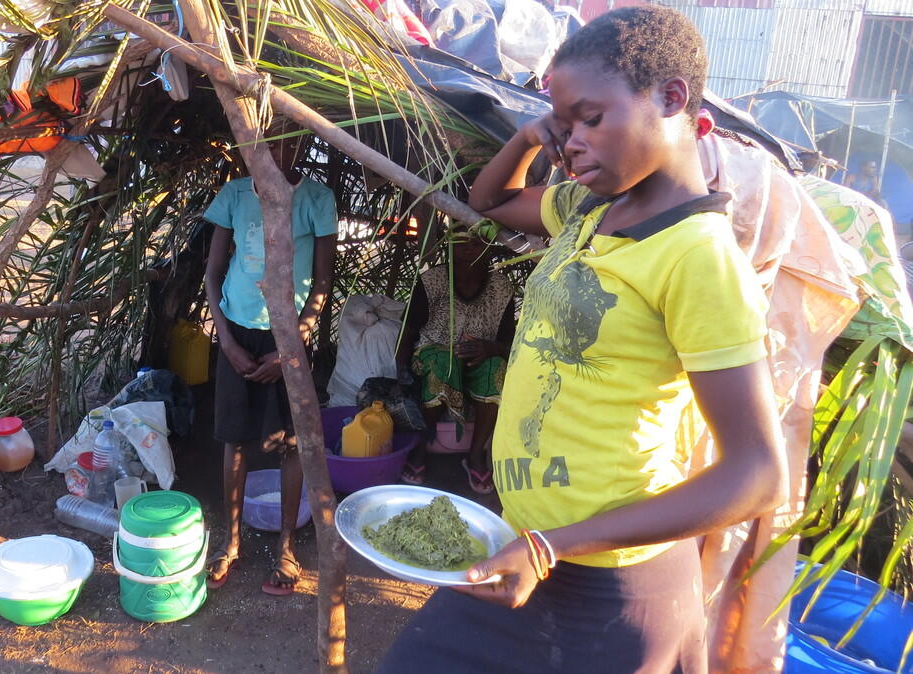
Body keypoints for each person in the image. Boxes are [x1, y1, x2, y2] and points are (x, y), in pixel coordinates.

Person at [377, 7, 786, 672]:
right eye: (563, 126)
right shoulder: (588, 209)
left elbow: (757, 476)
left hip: (612, 589)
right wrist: (529, 137)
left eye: (589, 118)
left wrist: (551, 545)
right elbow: (488, 202)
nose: (571, 143)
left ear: (671, 98)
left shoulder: (698, 258)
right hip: (524, 545)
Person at [202, 128, 337, 596]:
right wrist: (226, 341)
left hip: (291, 335)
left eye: (291, 140)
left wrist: (293, 345)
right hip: (238, 330)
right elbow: (213, 273)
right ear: (252, 145)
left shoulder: (316, 199)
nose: (281, 150)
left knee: (292, 441)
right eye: (271, 141)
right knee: (235, 439)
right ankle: (231, 540)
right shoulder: (235, 195)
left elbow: (322, 282)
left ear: (303, 144)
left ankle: (286, 546)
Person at [395, 235, 517, 494]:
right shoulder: (432, 282)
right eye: (461, 240)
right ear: (449, 245)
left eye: (477, 241)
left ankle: (475, 456)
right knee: (444, 362)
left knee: (497, 367)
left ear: (489, 246)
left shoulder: (501, 288)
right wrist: (401, 376)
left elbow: (511, 345)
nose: (469, 247)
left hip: (478, 359)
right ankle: (420, 448)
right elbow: (407, 334)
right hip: (432, 355)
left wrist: (490, 348)